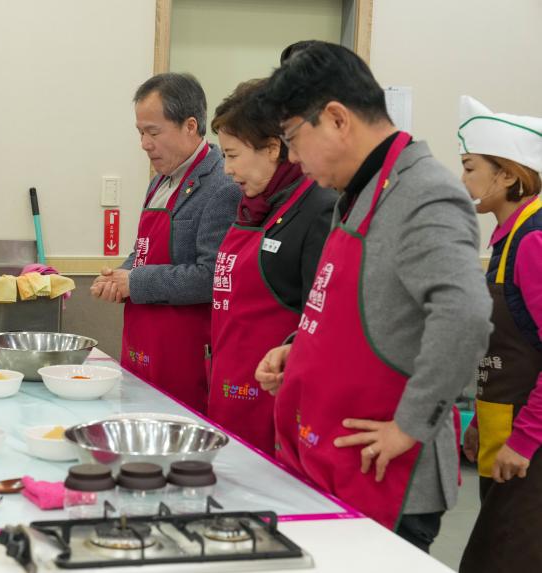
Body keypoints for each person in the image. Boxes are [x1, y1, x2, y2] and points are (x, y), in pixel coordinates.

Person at [254, 42, 492, 551]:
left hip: (385, 473)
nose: (292, 157)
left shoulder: (425, 192)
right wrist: (301, 347)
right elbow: (362, 303)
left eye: (295, 138)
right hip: (332, 458)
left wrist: (410, 425)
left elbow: (465, 315)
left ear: (337, 119)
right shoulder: (358, 189)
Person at [91, 73, 239, 413]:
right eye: (140, 133)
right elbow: (143, 250)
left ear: (190, 125)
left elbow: (211, 276)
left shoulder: (221, 184)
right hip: (141, 340)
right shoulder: (159, 181)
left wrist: (136, 281)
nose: (144, 143)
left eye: (153, 132)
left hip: (182, 354)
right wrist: (120, 275)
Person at [207, 79, 336, 453]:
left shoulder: (317, 207)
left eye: (232, 155)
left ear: (272, 148)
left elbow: (323, 319)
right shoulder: (254, 204)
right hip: (228, 395)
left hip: (274, 406)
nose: (227, 169)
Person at [457, 95, 542, 573]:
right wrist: (478, 423)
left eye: (471, 167)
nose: (463, 180)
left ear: (508, 174)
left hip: (531, 447)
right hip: (503, 435)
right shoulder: (509, 237)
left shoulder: (534, 240)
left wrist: (524, 440)